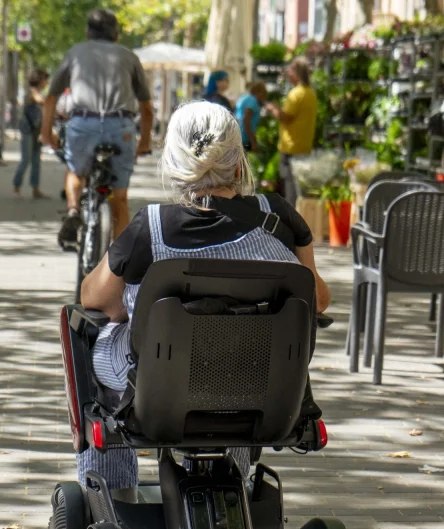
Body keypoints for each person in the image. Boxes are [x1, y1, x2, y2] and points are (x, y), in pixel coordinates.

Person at [76, 101, 331, 489]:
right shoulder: (279, 218)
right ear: (239, 161)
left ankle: (111, 492)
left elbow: (93, 298)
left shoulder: (151, 228)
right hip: (261, 384)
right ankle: (237, 482)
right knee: (249, 356)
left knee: (86, 340)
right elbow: (318, 297)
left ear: (173, 161)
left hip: (160, 387)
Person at [40, 8, 154, 250]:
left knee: (75, 171)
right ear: (116, 33)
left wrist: (46, 132)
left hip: (83, 124)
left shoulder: (76, 52)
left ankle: (72, 210)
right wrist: (144, 141)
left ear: (87, 32)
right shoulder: (129, 56)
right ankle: (119, 261)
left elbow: (51, 98)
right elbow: (146, 108)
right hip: (120, 125)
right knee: (120, 198)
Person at [264, 58, 317, 206]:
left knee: (291, 189)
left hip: (291, 146)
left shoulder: (296, 94)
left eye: (290, 71)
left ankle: (291, 220)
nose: (288, 74)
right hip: (305, 145)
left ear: (297, 73)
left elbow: (285, 117)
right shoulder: (311, 93)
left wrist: (273, 108)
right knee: (301, 188)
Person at [14, 69, 50, 198]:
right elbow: (41, 101)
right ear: (39, 80)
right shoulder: (32, 93)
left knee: (36, 161)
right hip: (28, 130)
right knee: (26, 159)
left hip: (37, 130)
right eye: (46, 79)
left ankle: (35, 188)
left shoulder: (39, 93)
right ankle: (16, 187)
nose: (47, 82)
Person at [236, 82, 268, 152]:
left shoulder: (244, 98)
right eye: (264, 94)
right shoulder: (253, 101)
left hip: (237, 136)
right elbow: (246, 120)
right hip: (245, 139)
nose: (264, 97)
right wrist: (253, 141)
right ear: (260, 93)